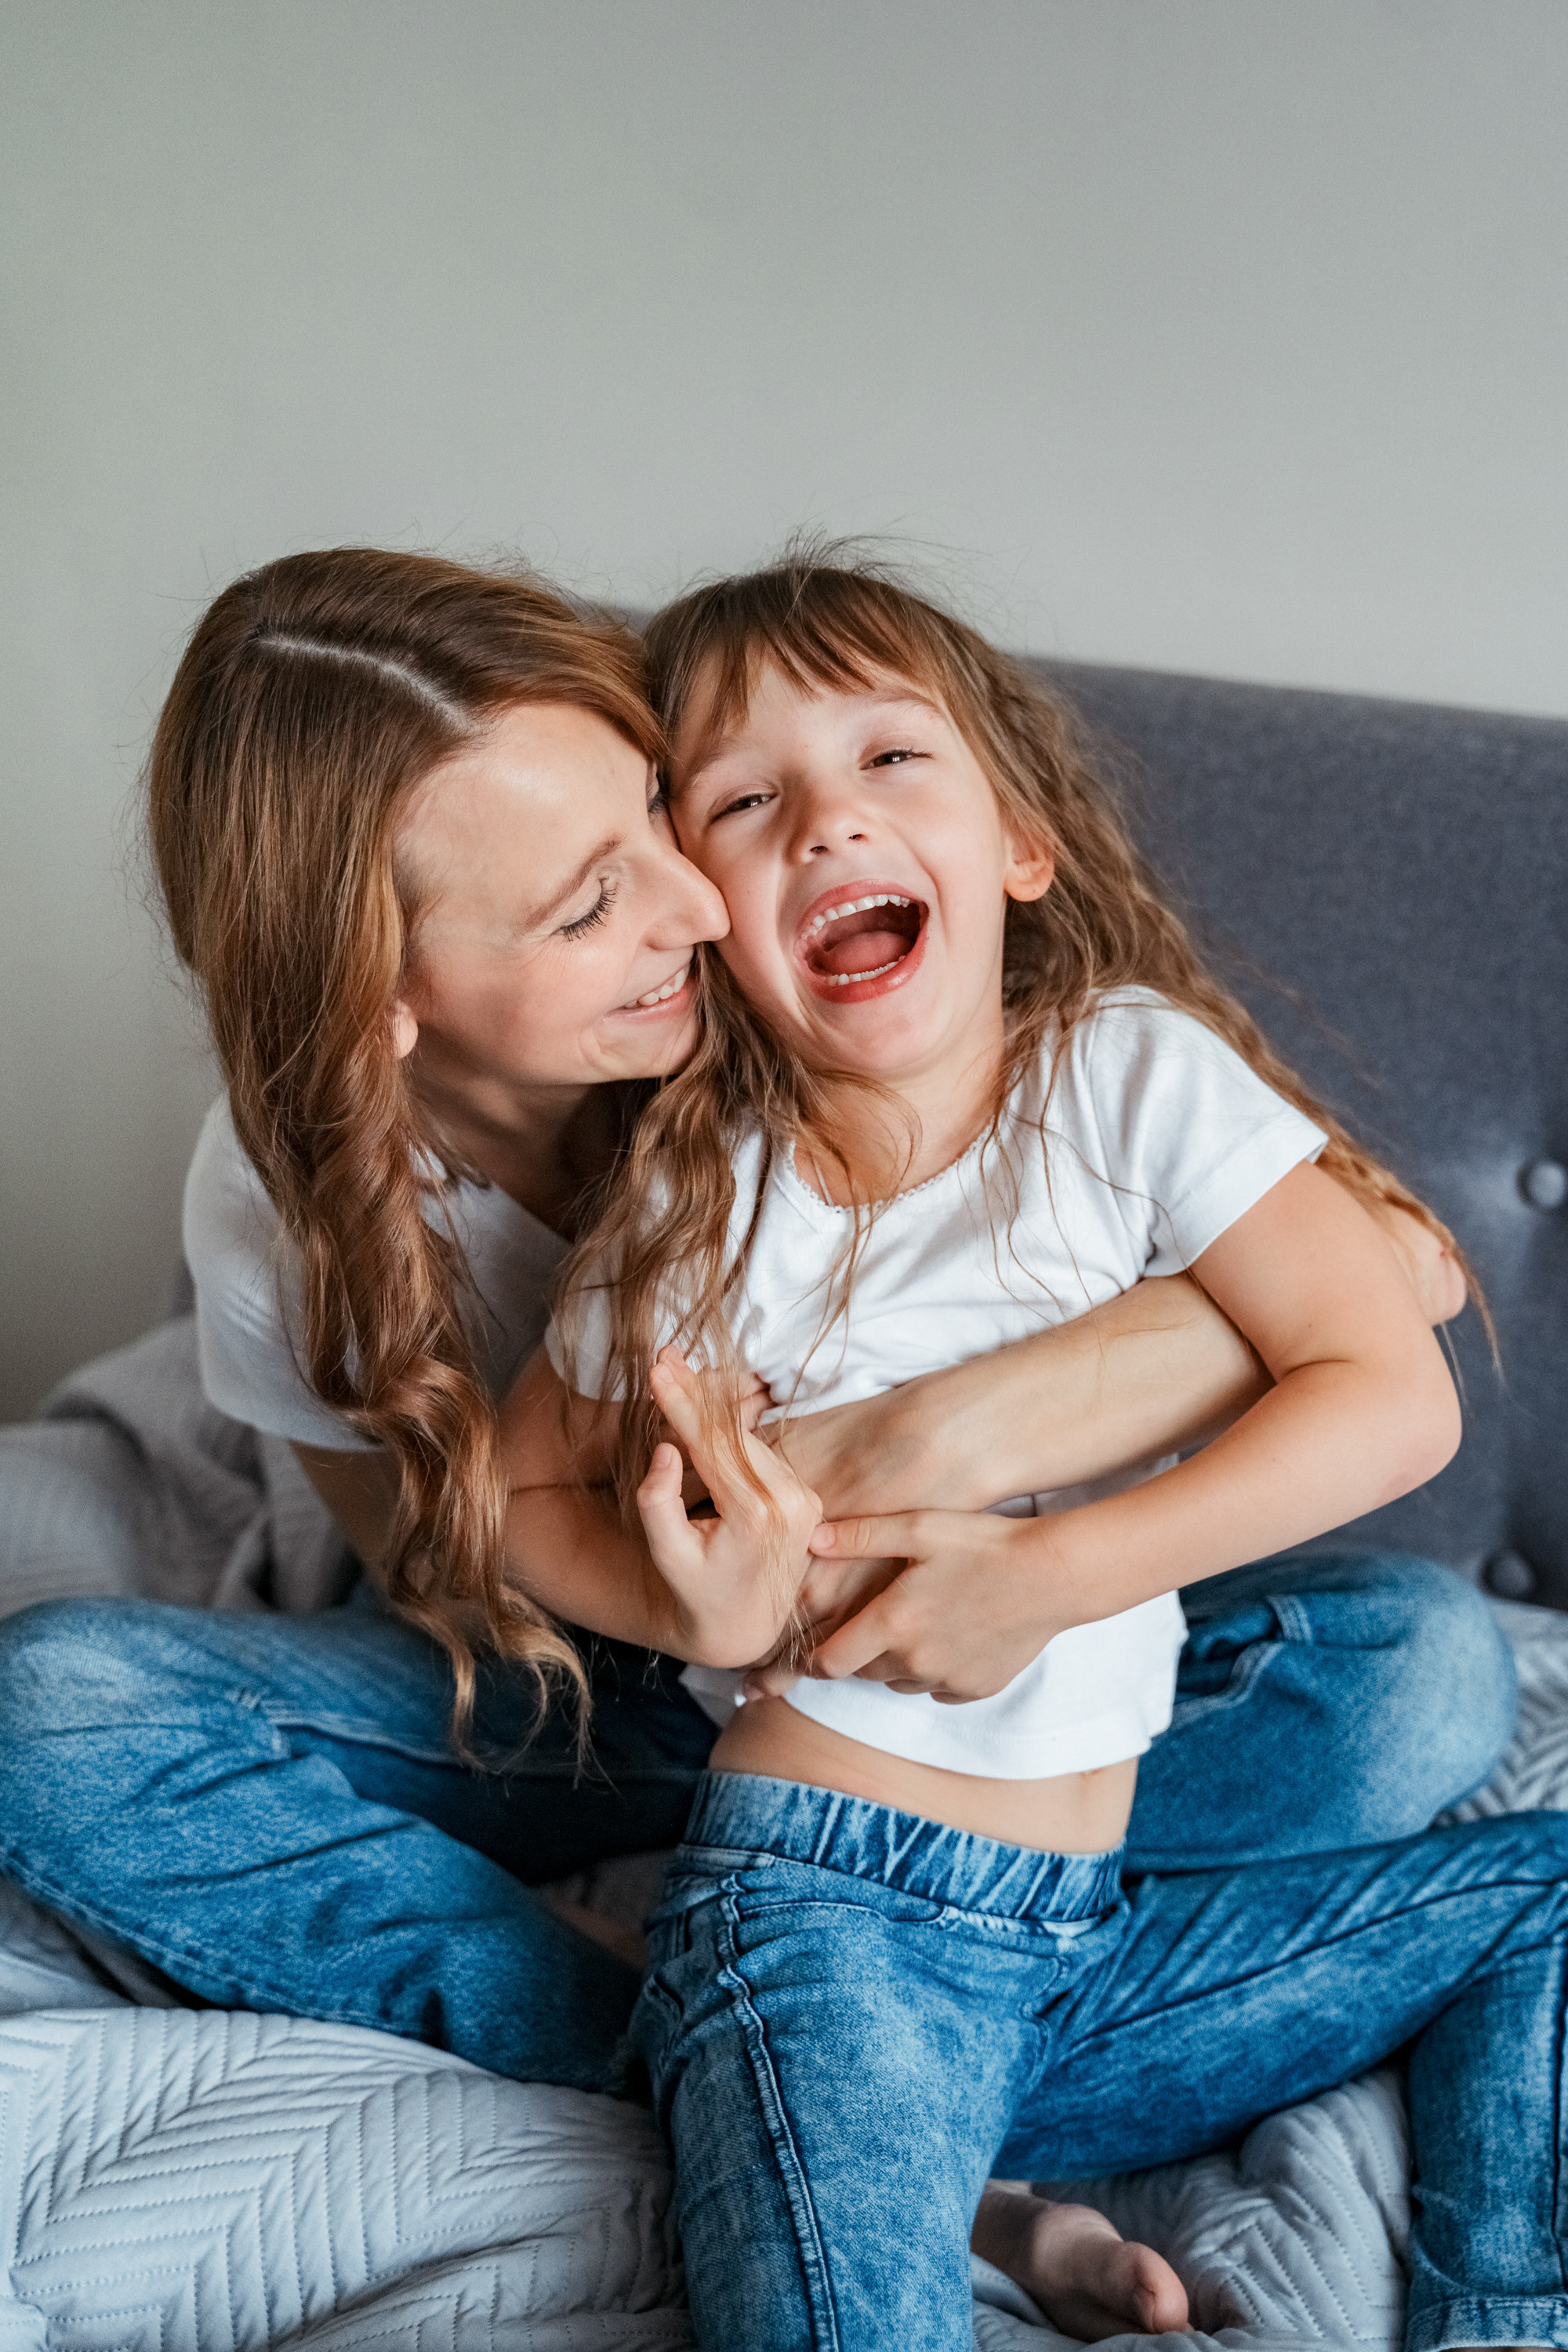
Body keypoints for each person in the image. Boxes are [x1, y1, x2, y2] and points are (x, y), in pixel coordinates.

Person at [0, 548, 1510, 2102]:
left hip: (937, 1639)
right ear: (380, 994)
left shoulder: (809, 976)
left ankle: (888, 1984)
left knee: (1421, 1673)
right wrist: (717, 1615)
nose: (693, 899)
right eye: (592, 900)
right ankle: (705, 2047)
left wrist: (944, 1447)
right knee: (51, 1713)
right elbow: (452, 1574)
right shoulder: (284, 1216)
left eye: (657, 806)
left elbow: (1401, 1270)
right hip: (611, 1667)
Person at [508, 550, 1562, 2352]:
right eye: (747, 800)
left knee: (1541, 1894)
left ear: (1020, 847)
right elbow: (517, 1497)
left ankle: (1501, 2318)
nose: (828, 822)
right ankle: (912, 2177)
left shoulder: (1126, 1077)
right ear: (703, 913)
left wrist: (1051, 1575)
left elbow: (1392, 1392)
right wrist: (699, 1596)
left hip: (1090, 1936)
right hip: (817, 1914)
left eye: (891, 762)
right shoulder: (698, 1195)